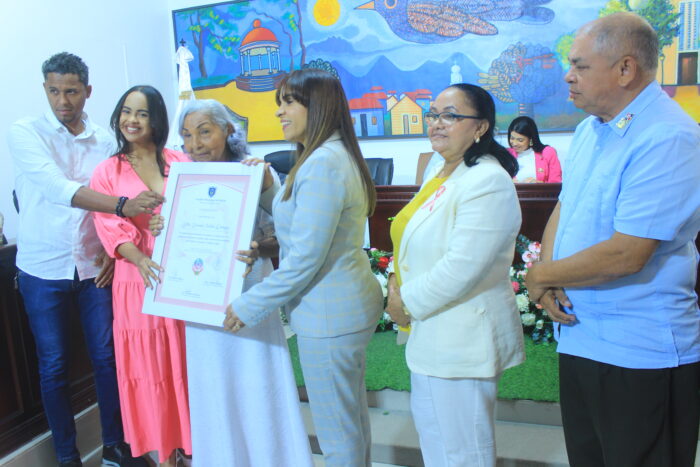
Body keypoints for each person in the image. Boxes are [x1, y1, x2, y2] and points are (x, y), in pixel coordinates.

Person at [525, 12, 700, 467]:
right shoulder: (590, 129)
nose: (568, 76)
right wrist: (547, 276)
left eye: (580, 65)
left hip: (639, 349)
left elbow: (628, 253)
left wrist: (541, 275)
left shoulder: (667, 136)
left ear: (625, 69)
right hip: (581, 335)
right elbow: (565, 207)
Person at [223, 69, 383, 467]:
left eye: (289, 102)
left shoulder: (323, 162)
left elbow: (305, 258)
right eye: (279, 103)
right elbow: (299, 220)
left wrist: (248, 305)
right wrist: (267, 187)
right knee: (349, 421)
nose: (279, 112)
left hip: (329, 313)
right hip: (341, 305)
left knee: (337, 433)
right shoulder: (323, 155)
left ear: (319, 107)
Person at [7, 52, 159, 467]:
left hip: (96, 267)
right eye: (54, 91)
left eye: (72, 91)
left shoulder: (106, 141)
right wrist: (123, 206)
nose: (63, 100)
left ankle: (115, 446)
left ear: (87, 91)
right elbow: (57, 188)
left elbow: (120, 189)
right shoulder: (25, 132)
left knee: (108, 357)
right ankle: (67, 457)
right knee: (54, 365)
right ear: (45, 89)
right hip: (42, 268)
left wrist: (113, 247)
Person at [149, 99, 313, 466]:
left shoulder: (256, 172)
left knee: (258, 382)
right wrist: (162, 228)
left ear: (227, 131)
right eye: (187, 136)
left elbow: (287, 235)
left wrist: (258, 248)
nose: (195, 145)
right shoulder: (183, 182)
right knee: (213, 387)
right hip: (200, 303)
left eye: (204, 132)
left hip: (249, 294)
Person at [385, 83, 525, 467]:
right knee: (438, 447)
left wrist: (404, 302)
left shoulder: (487, 180)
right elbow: (411, 237)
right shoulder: (442, 169)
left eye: (450, 115)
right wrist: (395, 282)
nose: (436, 123)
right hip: (433, 335)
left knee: (464, 454)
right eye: (433, 114)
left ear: (480, 127)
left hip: (463, 338)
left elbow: (463, 267)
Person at [90, 85, 192, 467]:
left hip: (181, 276)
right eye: (126, 111)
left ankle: (192, 446)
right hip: (136, 280)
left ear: (157, 119)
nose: (132, 120)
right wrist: (139, 258)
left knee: (183, 361)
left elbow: (198, 209)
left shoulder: (179, 160)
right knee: (151, 367)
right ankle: (164, 454)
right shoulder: (107, 171)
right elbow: (108, 225)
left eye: (142, 113)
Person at [507, 116, 562, 183]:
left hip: (540, 190)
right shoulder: (507, 154)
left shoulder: (548, 152)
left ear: (531, 139)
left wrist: (539, 184)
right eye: (512, 138)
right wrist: (508, 182)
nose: (514, 143)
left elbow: (556, 183)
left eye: (520, 140)